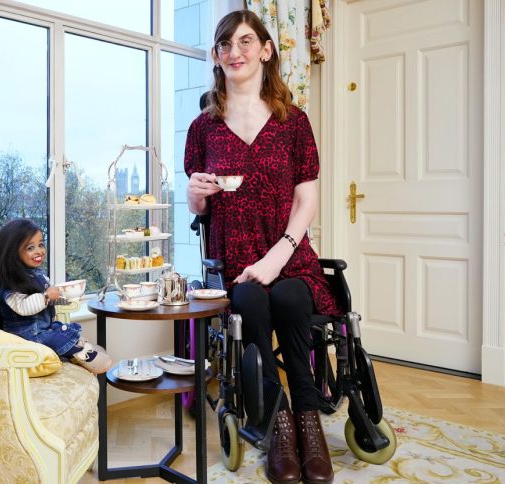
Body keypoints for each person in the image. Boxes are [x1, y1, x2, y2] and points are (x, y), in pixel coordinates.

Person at [185, 10, 342, 484]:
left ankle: (308, 421)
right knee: (251, 300)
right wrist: (196, 193)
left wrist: (277, 259)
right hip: (233, 258)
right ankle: (277, 422)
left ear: (267, 50)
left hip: (288, 253)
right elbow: (195, 202)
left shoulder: (294, 122)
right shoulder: (203, 128)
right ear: (216, 57)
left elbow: (307, 197)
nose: (235, 52)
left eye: (246, 42)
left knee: (293, 298)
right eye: (225, 45)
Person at [0, 218, 113, 374]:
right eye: (30, 248)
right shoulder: (10, 285)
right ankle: (83, 353)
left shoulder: (38, 276)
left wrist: (65, 298)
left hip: (43, 329)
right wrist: (46, 296)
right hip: (28, 336)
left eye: (40, 244)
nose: (39, 251)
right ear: (12, 253)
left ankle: (77, 351)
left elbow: (49, 301)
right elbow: (24, 307)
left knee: (61, 328)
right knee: (59, 337)